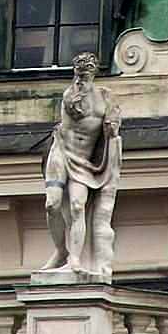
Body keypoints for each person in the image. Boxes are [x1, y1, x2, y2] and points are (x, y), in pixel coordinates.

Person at [40, 52, 122, 278]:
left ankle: (73, 259)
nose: (80, 79)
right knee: (52, 204)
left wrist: (112, 130)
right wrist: (75, 98)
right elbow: (72, 112)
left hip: (85, 161)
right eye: (78, 74)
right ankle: (60, 250)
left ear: (93, 73)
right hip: (61, 152)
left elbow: (112, 131)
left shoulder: (105, 99)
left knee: (77, 206)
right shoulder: (71, 95)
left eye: (85, 74)